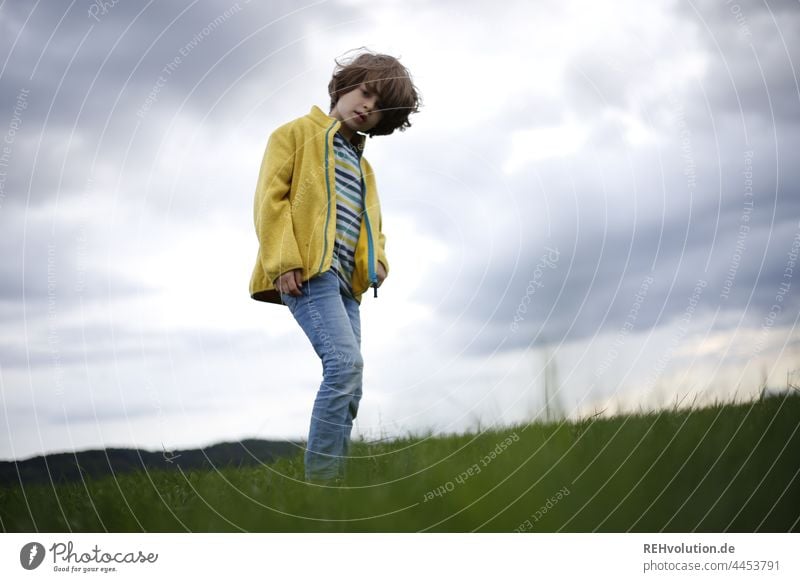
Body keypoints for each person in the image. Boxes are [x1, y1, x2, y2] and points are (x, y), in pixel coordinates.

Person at [248, 49, 420, 484]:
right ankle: (322, 485)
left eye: (381, 107)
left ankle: (336, 481)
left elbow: (373, 224)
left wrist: (378, 260)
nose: (368, 107)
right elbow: (270, 204)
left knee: (352, 378)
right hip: (308, 275)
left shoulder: (364, 168)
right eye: (365, 92)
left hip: (347, 284)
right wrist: (285, 259)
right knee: (343, 365)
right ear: (345, 86)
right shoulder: (294, 135)